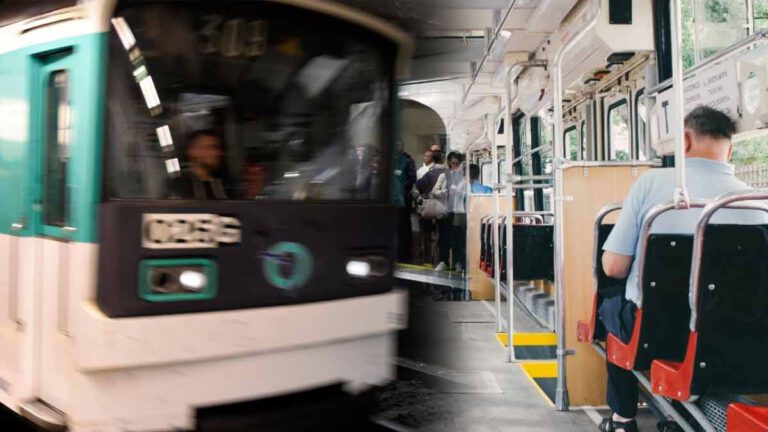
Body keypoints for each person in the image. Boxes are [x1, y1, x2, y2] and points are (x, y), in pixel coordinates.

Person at [598, 106, 768, 432]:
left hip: (656, 330)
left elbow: (614, 267)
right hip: (734, 332)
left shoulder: (653, 185)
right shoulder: (756, 203)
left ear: (685, 141)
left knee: (611, 308)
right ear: (729, 148)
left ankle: (622, 419)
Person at [172, 129, 229, 199]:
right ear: (192, 151)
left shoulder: (223, 184)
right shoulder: (178, 186)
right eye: (209, 148)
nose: (216, 153)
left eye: (216, 148)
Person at [434, 151, 467, 272]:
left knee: (458, 238)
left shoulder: (464, 177)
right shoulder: (443, 176)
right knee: (444, 238)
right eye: (452, 162)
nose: (455, 165)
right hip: (446, 211)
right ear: (449, 162)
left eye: (457, 163)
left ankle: (458, 262)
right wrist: (444, 192)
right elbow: (434, 191)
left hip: (459, 211)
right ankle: (443, 261)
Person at [415, 150, 447, 266]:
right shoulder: (446, 174)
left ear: (433, 160)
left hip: (429, 207)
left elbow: (418, 185)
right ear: (443, 160)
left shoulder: (429, 174)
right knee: (441, 235)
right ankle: (439, 260)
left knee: (426, 233)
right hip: (443, 208)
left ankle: (427, 259)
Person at [394, 140, 417, 262]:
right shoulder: (391, 159)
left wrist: (402, 184)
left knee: (403, 226)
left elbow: (412, 178)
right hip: (392, 198)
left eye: (401, 145)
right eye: (397, 145)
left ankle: (404, 254)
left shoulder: (408, 160)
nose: (399, 147)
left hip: (403, 197)